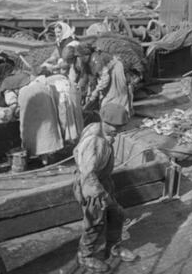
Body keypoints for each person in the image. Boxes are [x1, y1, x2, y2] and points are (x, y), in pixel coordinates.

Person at [72, 104, 135, 272]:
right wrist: (101, 195)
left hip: (103, 180)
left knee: (117, 214)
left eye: (121, 126)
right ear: (103, 121)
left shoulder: (101, 130)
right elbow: (88, 173)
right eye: (114, 126)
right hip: (90, 184)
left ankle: (113, 247)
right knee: (95, 222)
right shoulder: (93, 141)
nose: (118, 130)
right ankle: (85, 256)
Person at [75, 44, 133, 117]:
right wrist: (89, 94)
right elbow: (90, 79)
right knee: (106, 99)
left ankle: (122, 117)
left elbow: (105, 78)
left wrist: (96, 91)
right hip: (107, 74)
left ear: (85, 55)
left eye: (79, 56)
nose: (78, 58)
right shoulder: (87, 63)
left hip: (116, 72)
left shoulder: (97, 60)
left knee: (115, 97)